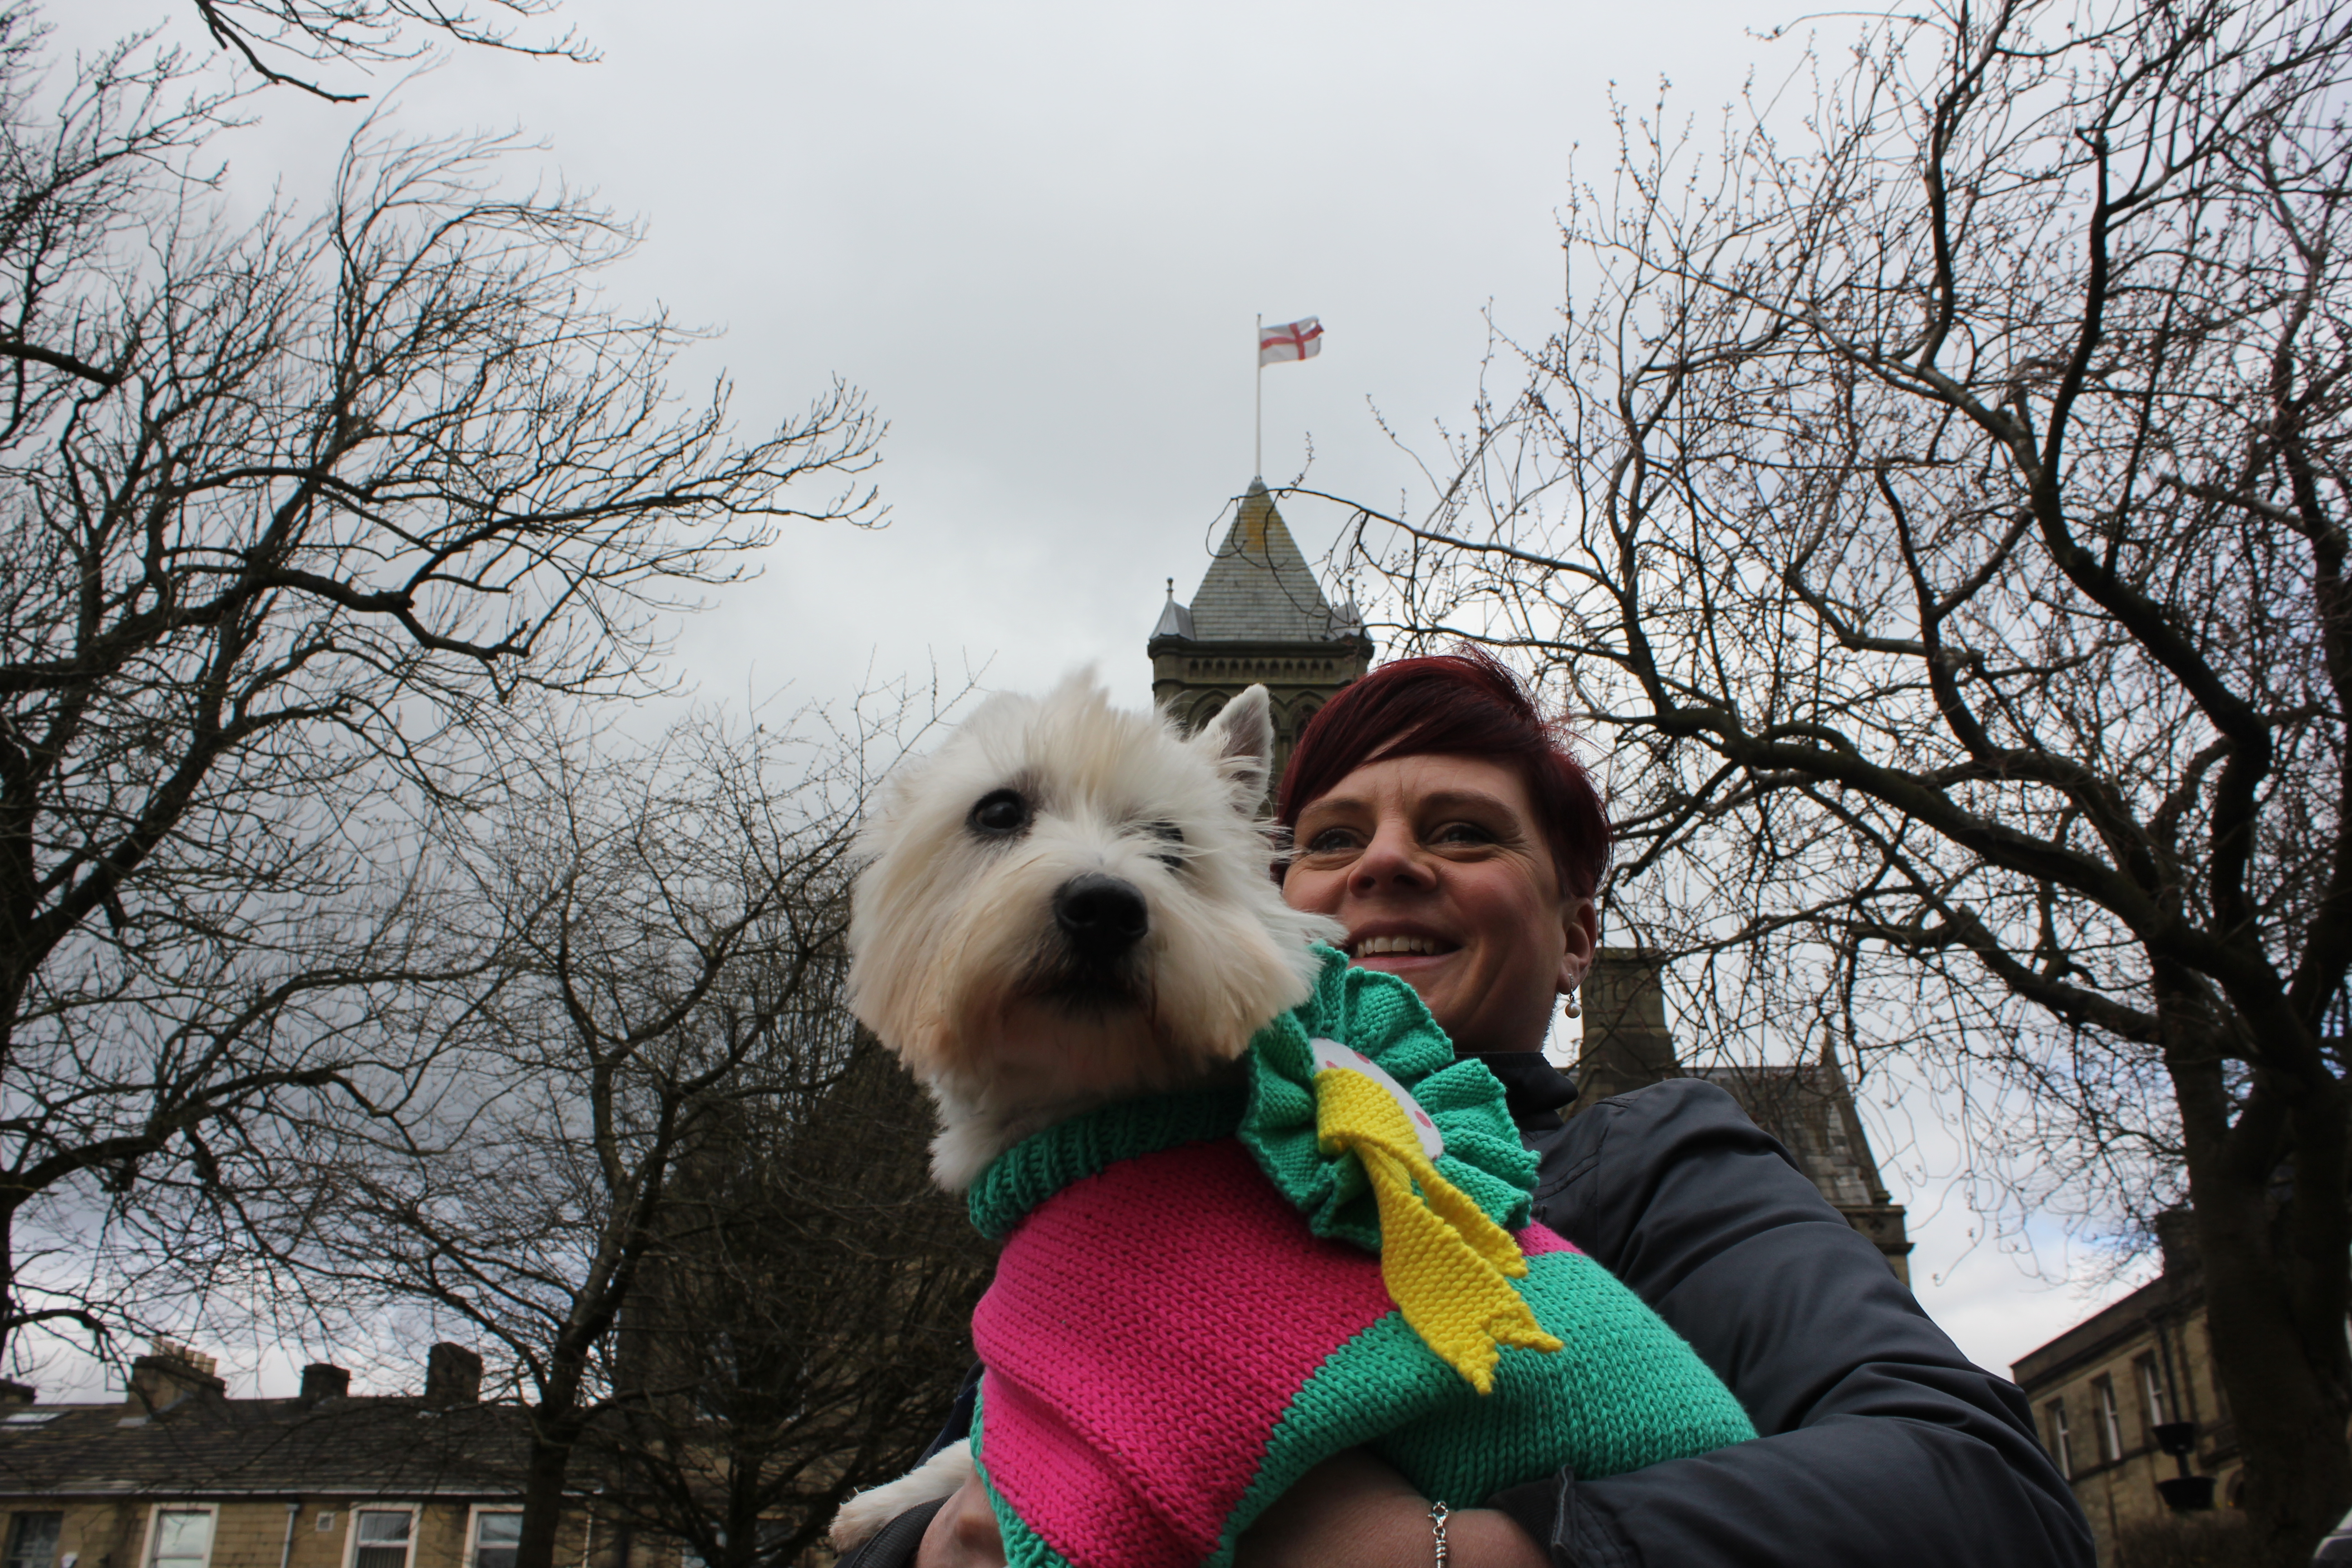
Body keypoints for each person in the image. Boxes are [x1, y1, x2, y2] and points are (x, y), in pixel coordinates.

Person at [857, 650, 2094, 1568]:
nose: (1389, 862)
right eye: (1332, 837)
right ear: (1274, 898)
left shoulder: (1663, 1157)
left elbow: (1993, 1499)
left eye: (1462, 832)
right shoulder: (1106, 1196)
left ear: (1577, 937)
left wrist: (1442, 1554)